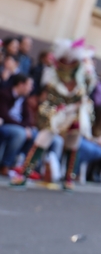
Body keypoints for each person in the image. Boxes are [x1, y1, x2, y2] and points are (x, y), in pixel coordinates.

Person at [10, 38, 96, 191]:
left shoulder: (85, 79)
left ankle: (69, 178)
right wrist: (59, 109)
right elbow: (49, 98)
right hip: (56, 111)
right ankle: (24, 174)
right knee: (42, 139)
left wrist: (77, 106)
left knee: (72, 144)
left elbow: (87, 92)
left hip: (76, 112)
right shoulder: (53, 79)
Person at [0, 74, 35, 175]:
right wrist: (23, 127)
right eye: (29, 85)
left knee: (35, 134)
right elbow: (4, 116)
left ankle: (22, 165)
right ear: (21, 84)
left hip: (18, 126)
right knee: (19, 133)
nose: (31, 88)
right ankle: (6, 165)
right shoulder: (4, 94)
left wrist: (26, 127)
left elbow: (28, 117)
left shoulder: (23, 98)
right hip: (5, 125)